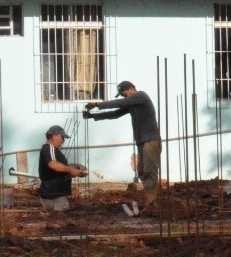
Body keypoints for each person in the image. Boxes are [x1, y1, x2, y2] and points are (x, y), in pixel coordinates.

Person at [84, 81, 161, 213]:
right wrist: (93, 116)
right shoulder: (132, 103)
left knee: (149, 170)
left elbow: (119, 103)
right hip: (142, 140)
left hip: (150, 140)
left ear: (132, 89)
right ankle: (150, 201)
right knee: (142, 171)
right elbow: (116, 114)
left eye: (124, 94)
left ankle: (152, 203)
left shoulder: (141, 96)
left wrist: (98, 104)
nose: (123, 97)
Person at [36, 125, 87, 212]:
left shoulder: (53, 150)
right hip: (54, 195)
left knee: (56, 220)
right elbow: (53, 165)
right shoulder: (49, 148)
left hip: (54, 195)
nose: (63, 140)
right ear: (54, 137)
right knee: (60, 221)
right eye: (62, 137)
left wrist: (77, 172)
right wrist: (71, 170)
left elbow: (59, 171)